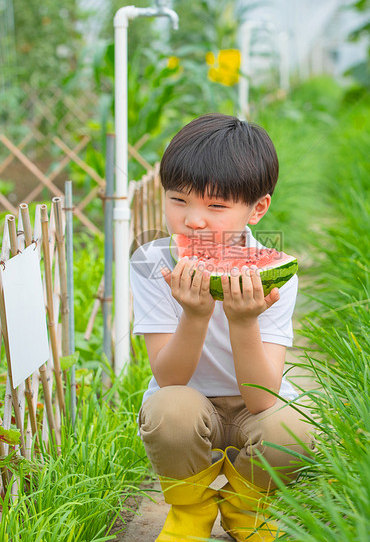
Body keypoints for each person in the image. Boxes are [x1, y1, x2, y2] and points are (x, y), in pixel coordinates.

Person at [130, 113, 314, 542]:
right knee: (168, 411)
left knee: (297, 430)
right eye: (179, 200)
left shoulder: (275, 272)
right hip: (189, 402)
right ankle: (189, 510)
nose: (194, 220)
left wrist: (243, 320)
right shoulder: (151, 261)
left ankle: (245, 505)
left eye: (215, 206)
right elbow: (169, 379)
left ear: (258, 208)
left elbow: (261, 396)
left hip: (254, 409)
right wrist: (194, 316)